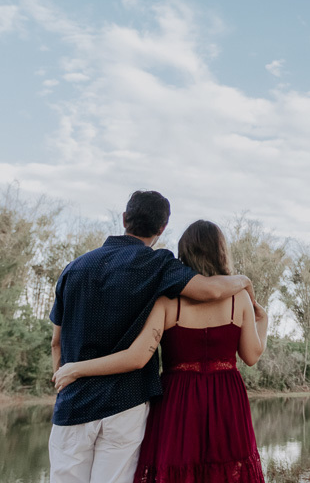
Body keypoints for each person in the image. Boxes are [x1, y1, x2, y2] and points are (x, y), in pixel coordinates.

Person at [49, 191, 255, 483]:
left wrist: (65, 380)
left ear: (124, 219)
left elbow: (56, 342)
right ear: (162, 228)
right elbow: (210, 290)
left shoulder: (73, 269)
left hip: (73, 403)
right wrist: (244, 281)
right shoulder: (158, 265)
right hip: (125, 404)